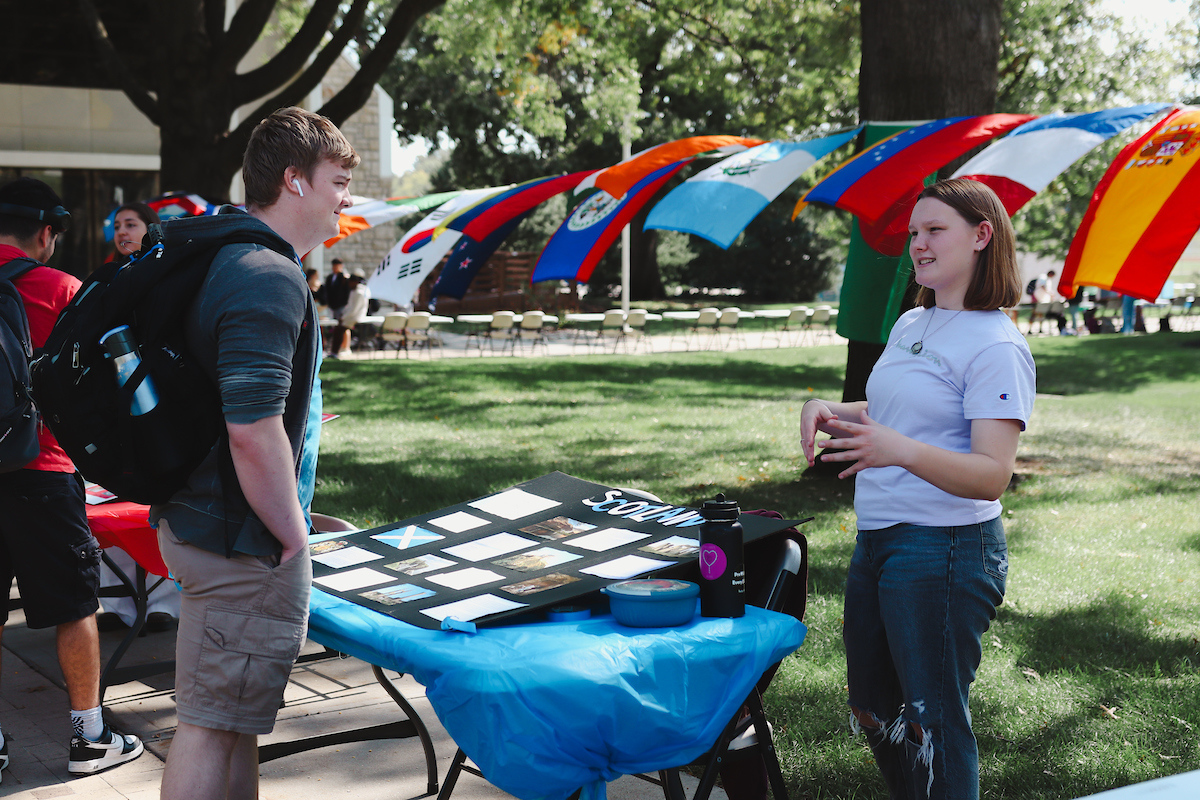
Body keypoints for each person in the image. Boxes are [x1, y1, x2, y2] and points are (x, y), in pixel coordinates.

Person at [800, 179, 1035, 800]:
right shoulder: (913, 320)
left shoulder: (997, 344)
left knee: (933, 721)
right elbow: (888, 411)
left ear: (982, 236)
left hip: (947, 550)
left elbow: (992, 472)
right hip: (879, 542)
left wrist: (897, 450)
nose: (918, 246)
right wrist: (832, 409)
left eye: (935, 231)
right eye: (913, 234)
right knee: (874, 707)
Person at [152, 106, 356, 800]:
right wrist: (293, 536)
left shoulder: (232, 257)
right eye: (337, 179)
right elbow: (252, 427)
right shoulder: (266, 275)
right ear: (294, 182)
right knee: (209, 726)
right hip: (241, 544)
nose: (345, 196)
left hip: (218, 526)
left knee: (231, 723)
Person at [0, 178, 144, 782]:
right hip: (44, 469)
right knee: (74, 606)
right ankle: (89, 736)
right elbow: (104, 385)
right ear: (47, 232)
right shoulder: (62, 288)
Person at [329, 269, 370, 358]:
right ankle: (337, 350)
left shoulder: (359, 292)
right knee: (338, 329)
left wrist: (343, 317)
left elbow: (354, 310)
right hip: (351, 315)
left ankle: (335, 352)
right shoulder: (354, 291)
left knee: (339, 329)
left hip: (355, 316)